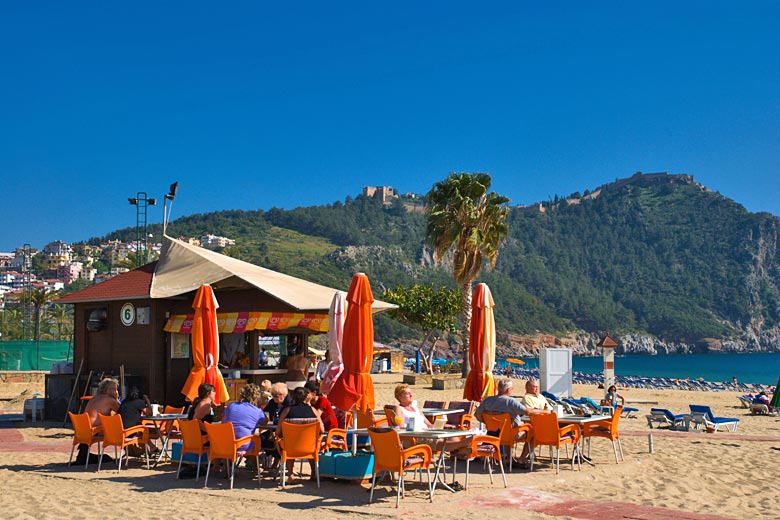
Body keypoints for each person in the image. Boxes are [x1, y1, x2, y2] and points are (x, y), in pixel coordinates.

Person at [474, 379, 531, 464]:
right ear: (508, 390)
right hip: (511, 434)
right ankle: (521, 459)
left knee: (507, 429)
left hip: (493, 433)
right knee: (532, 433)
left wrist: (485, 421)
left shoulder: (487, 400)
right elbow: (526, 412)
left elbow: (477, 414)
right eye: (512, 388)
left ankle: (509, 457)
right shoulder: (511, 401)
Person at [276, 387, 324, 482]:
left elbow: (277, 431)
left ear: (293, 396)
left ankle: (290, 475)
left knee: (287, 443)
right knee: (310, 442)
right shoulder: (313, 410)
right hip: (309, 447)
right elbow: (322, 430)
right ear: (306, 397)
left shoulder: (287, 411)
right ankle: (314, 473)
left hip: (291, 447)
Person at [222, 383, 267, 473]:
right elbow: (264, 422)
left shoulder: (231, 406)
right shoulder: (257, 411)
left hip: (226, 444)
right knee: (255, 440)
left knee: (239, 436)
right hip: (244, 444)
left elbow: (223, 419)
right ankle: (256, 469)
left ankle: (224, 469)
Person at [76, 377, 120, 464]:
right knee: (122, 430)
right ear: (106, 390)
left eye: (116, 389)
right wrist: (116, 398)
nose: (115, 391)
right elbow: (122, 410)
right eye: (113, 389)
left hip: (83, 429)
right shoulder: (109, 400)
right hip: (94, 430)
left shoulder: (94, 398)